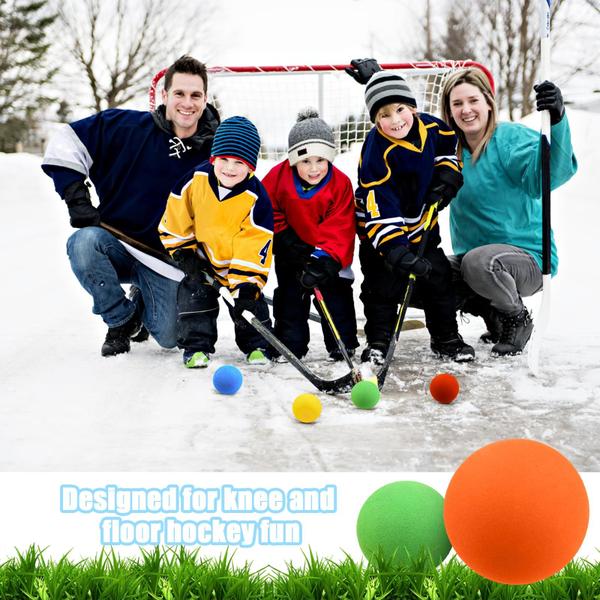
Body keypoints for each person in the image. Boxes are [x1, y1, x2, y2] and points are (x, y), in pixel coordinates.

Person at [41, 55, 220, 357]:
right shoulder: (127, 127)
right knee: (83, 244)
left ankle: (143, 299)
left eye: (195, 95)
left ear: (205, 99)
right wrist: (76, 196)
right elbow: (66, 140)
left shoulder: (217, 150)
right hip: (116, 245)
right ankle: (121, 320)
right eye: (179, 93)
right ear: (165, 96)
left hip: (167, 260)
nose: (187, 103)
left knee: (172, 338)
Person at [440, 68, 577, 356]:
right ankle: (491, 311)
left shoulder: (509, 138)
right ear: (449, 111)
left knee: (479, 263)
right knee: (425, 274)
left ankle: (517, 318)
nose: (466, 110)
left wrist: (558, 117)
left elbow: (551, 173)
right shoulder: (448, 151)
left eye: (473, 101)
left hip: (528, 260)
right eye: (457, 104)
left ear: (488, 102)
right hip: (473, 264)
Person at [351, 67, 475, 365]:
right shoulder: (375, 157)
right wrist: (396, 250)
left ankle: (446, 339)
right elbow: (379, 206)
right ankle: (378, 343)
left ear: (413, 108)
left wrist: (447, 176)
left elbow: (448, 149)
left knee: (439, 279)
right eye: (384, 115)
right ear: (375, 120)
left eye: (400, 109)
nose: (395, 120)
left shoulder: (433, 128)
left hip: (423, 226)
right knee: (380, 289)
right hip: (381, 237)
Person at [159, 116, 274, 368]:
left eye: (239, 162)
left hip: (236, 266)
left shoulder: (256, 198)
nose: (230, 168)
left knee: (249, 306)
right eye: (224, 160)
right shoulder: (194, 181)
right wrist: (182, 253)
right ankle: (196, 347)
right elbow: (178, 216)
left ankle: (258, 346)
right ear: (213, 159)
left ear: (251, 167)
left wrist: (246, 282)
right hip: (201, 261)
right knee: (195, 301)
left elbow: (254, 242)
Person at [262, 108, 358, 361]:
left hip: (329, 257)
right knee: (291, 297)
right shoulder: (277, 177)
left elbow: (341, 225)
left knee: (336, 296)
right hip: (290, 251)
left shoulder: (340, 184)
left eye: (321, 160)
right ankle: (290, 344)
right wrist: (286, 239)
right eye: (305, 161)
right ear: (294, 160)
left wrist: (324, 258)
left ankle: (342, 344)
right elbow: (267, 208)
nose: (314, 168)